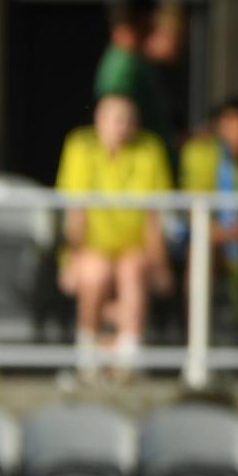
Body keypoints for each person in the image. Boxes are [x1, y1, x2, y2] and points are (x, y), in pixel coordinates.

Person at [56, 93, 174, 377]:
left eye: (130, 120)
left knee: (132, 270)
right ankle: (88, 350)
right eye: (117, 119)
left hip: (135, 247)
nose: (124, 127)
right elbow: (76, 211)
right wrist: (74, 258)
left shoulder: (150, 148)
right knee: (95, 273)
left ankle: (128, 355)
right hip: (91, 246)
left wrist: (160, 265)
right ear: (98, 121)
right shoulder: (80, 146)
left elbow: (153, 215)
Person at [181, 94, 238, 316]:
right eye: (233, 125)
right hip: (216, 238)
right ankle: (197, 332)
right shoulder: (200, 154)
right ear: (219, 127)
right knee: (200, 250)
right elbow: (193, 211)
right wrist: (228, 232)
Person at [95, 0, 175, 167]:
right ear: (141, 19)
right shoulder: (121, 64)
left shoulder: (136, 59)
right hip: (136, 167)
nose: (155, 25)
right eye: (152, 18)